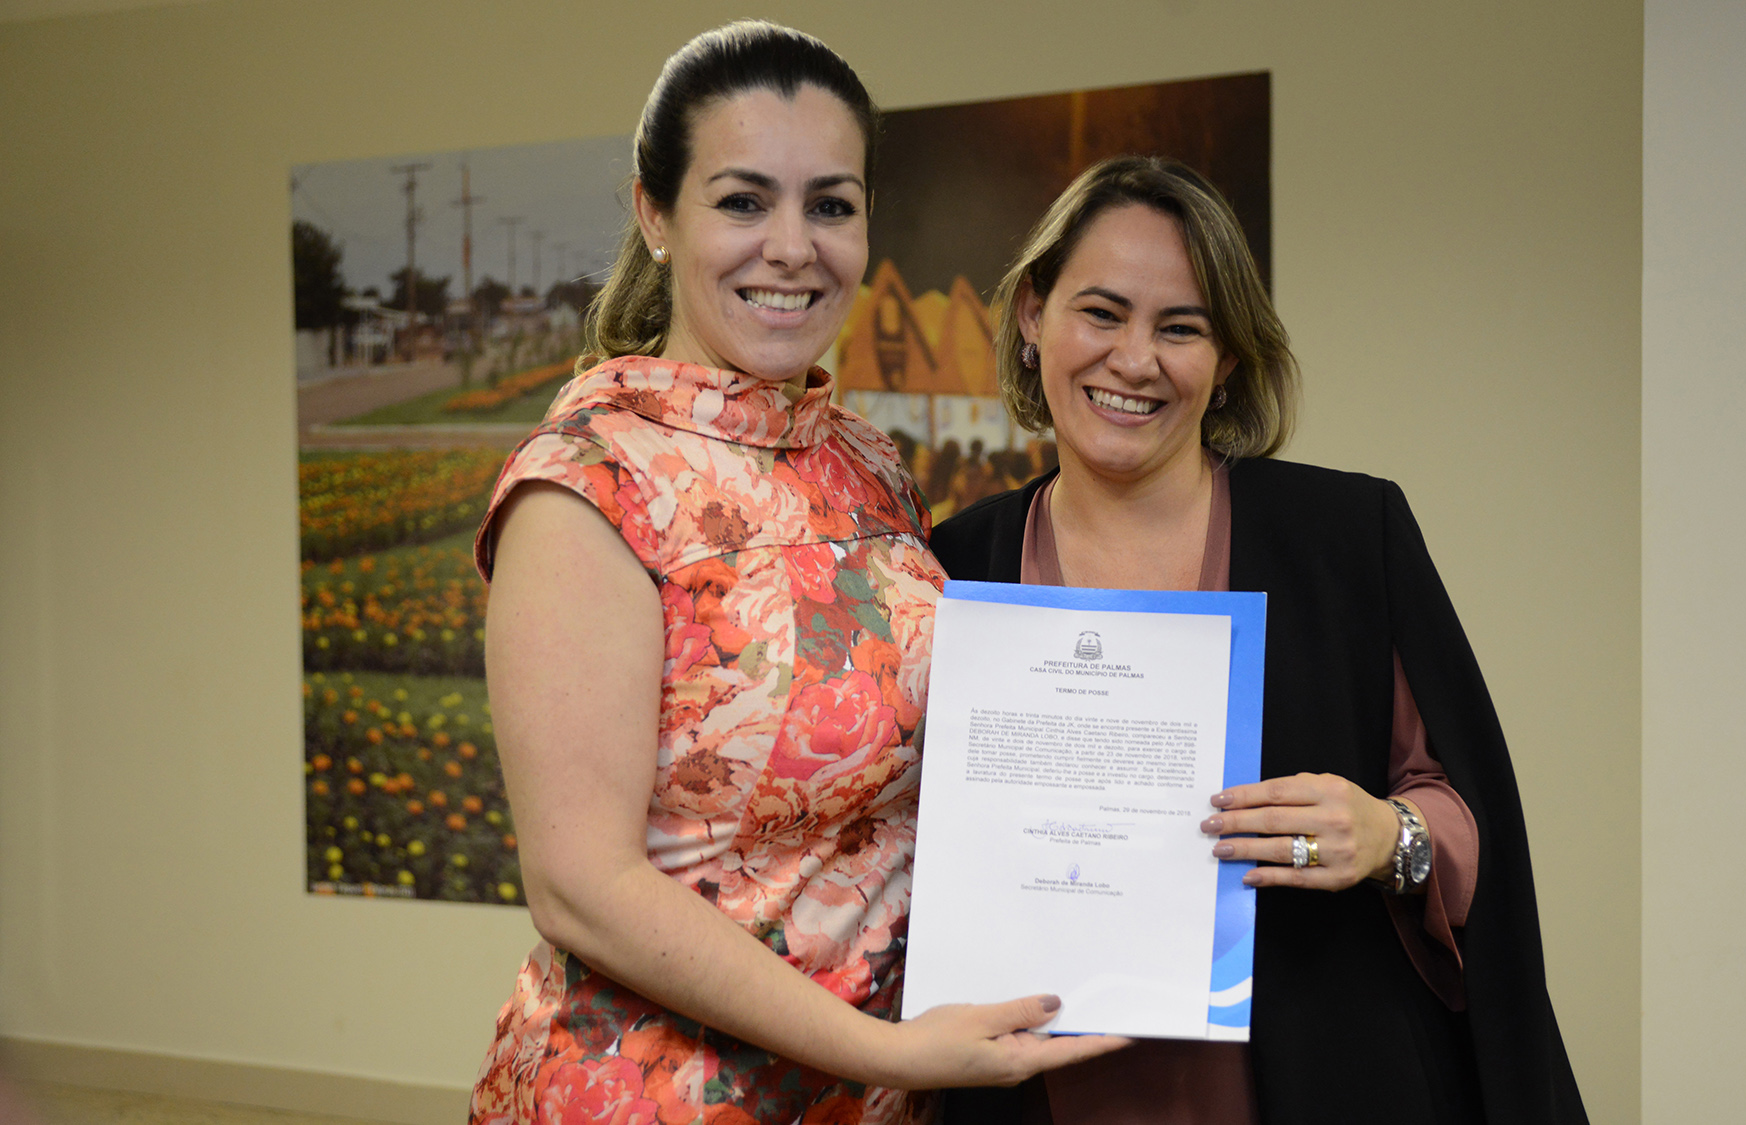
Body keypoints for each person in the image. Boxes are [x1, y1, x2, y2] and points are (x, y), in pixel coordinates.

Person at [465, 23, 1122, 1124]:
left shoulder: (866, 465)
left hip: (873, 1092)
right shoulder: (588, 482)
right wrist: (885, 1050)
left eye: (829, 205)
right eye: (742, 201)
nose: (791, 247)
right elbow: (580, 888)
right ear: (655, 216)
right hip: (655, 1097)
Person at [930, 156, 1588, 1125]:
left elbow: (1463, 808)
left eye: (1181, 328)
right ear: (1033, 316)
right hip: (1035, 1093)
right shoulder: (952, 564)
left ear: (1228, 359)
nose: (1134, 360)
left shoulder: (1345, 537)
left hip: (1325, 1080)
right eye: (1101, 313)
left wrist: (1387, 836)